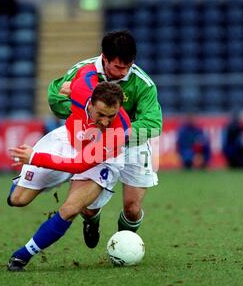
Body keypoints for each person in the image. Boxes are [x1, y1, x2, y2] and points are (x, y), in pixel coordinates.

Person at [47, 30, 162, 248]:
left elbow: (153, 125)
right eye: (118, 66)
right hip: (93, 144)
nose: (124, 71)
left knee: (132, 208)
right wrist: (83, 107)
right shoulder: (83, 71)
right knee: (88, 207)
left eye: (128, 66)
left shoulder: (143, 84)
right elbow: (54, 100)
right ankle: (92, 220)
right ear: (105, 58)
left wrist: (114, 132)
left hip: (130, 145)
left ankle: (122, 245)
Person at [6, 78, 131, 271]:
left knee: (70, 209)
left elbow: (79, 165)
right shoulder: (81, 88)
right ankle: (28, 181)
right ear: (91, 103)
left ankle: (22, 255)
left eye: (111, 116)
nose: (106, 121)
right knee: (17, 199)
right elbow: (66, 83)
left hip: (99, 160)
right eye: (101, 114)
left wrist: (35, 157)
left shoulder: (118, 132)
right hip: (67, 140)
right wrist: (68, 88)